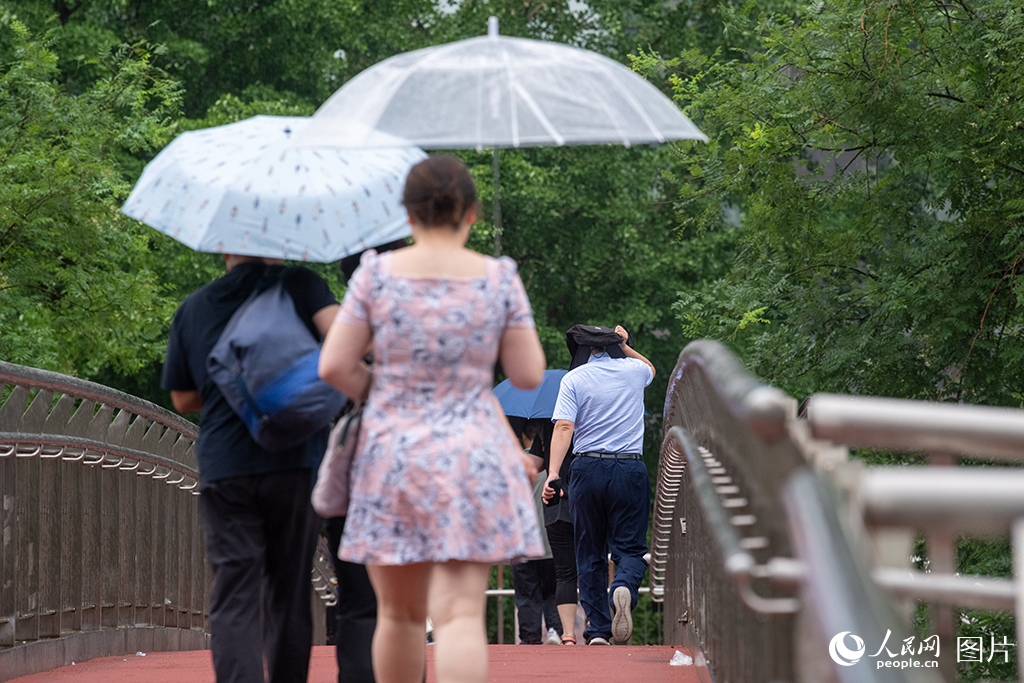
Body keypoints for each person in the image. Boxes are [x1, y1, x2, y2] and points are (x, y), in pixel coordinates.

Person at [318, 154, 547, 683]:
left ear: (407, 215)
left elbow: (334, 363)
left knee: (396, 616)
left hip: (392, 454)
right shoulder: (499, 278)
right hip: (471, 452)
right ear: (471, 213)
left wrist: (383, 390)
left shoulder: (376, 275)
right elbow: (529, 373)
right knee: (460, 615)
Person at [162, 253, 338, 682]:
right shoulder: (301, 285)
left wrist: (235, 384)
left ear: (224, 246)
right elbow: (342, 349)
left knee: (235, 592)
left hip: (227, 465)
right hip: (295, 460)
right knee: (289, 590)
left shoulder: (196, 306)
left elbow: (183, 399)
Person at [543, 324, 655, 646]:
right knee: (631, 548)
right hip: (629, 468)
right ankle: (623, 585)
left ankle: (599, 631)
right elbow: (651, 368)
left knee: (589, 550)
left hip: (587, 468)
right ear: (614, 346)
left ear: (584, 350)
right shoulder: (634, 371)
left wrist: (553, 474)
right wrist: (625, 344)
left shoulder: (574, 378)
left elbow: (564, 426)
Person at [510, 423, 561, 645]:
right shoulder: (553, 465)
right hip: (552, 541)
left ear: (523, 436)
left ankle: (530, 639)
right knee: (553, 592)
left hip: (523, 543)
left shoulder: (515, 463)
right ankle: (556, 631)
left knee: (526, 595)